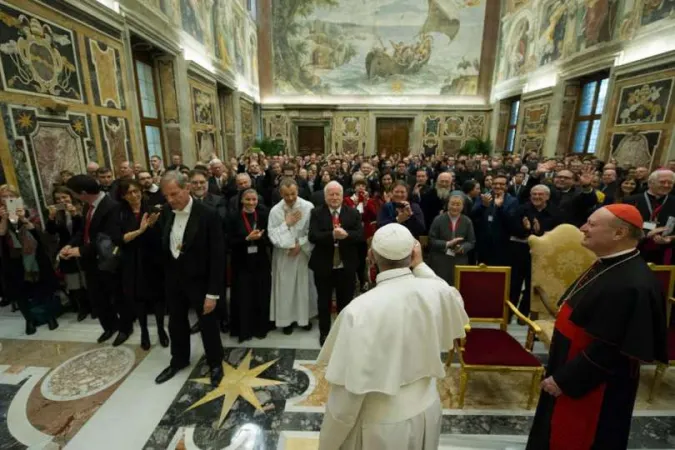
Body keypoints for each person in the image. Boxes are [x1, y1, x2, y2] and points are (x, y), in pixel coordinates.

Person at [527, 204, 667, 450]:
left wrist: (565, 380)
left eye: (591, 224)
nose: (582, 228)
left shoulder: (633, 284)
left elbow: (611, 348)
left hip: (592, 387)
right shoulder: (607, 263)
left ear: (619, 233)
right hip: (569, 365)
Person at [317, 223, 469, 449]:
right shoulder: (436, 292)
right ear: (413, 254)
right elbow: (452, 298)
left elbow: (346, 398)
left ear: (371, 256)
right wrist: (420, 266)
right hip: (428, 410)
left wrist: (329, 440)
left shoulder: (357, 311)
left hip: (382, 427)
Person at [154, 171, 225, 387]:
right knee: (176, 323)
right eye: (166, 196)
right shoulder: (166, 212)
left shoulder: (208, 215)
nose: (170, 200)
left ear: (187, 188)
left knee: (208, 324)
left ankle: (215, 363)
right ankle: (179, 360)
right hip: (174, 281)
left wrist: (213, 293)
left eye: (174, 194)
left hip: (200, 282)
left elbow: (218, 257)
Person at [64, 175, 129, 345]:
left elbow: (108, 238)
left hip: (108, 261)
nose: (73, 197)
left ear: (83, 193)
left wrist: (80, 250)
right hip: (91, 262)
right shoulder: (88, 206)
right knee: (97, 297)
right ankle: (109, 326)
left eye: (73, 193)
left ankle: (125, 328)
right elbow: (82, 231)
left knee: (117, 297)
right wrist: (69, 245)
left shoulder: (112, 207)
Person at [309, 181, 364, 345]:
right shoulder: (316, 213)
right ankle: (324, 333)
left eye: (337, 194)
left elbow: (360, 236)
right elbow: (313, 236)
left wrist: (345, 235)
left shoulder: (353, 213)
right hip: (323, 265)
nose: (334, 197)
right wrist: (332, 235)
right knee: (323, 302)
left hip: (346, 265)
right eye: (330, 194)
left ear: (342, 196)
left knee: (345, 302)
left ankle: (343, 332)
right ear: (325, 197)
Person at [117, 179, 168, 351]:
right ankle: (144, 331)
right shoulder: (120, 213)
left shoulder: (152, 208)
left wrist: (153, 227)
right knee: (138, 298)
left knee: (158, 297)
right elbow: (119, 238)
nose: (134, 195)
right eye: (129, 193)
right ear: (123, 196)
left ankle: (161, 329)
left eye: (136, 191)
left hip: (153, 259)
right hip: (132, 260)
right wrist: (141, 230)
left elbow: (163, 235)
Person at [0, 185, 59, 334]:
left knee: (43, 287)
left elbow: (39, 233)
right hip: (13, 259)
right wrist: (4, 219)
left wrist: (23, 219)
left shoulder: (30, 211)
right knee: (20, 291)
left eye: (11, 196)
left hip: (35, 257)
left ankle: (50, 316)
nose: (8, 200)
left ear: (17, 198)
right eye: (4, 197)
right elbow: (1, 235)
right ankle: (29, 320)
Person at [268, 178, 316, 334]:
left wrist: (300, 244)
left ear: (298, 192)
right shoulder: (275, 211)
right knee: (286, 288)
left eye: (293, 194)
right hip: (284, 255)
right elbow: (272, 234)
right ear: (281, 193)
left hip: (302, 253)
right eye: (286, 195)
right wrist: (286, 223)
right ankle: (286, 320)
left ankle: (304, 318)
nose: (290, 198)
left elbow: (313, 230)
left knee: (303, 287)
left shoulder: (308, 207)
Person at [227, 188, 273, 342]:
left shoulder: (263, 215)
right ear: (241, 200)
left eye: (254, 199)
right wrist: (246, 238)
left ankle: (261, 328)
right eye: (248, 200)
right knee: (244, 296)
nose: (251, 203)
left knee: (261, 294)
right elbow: (228, 241)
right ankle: (244, 330)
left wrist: (261, 237)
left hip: (260, 261)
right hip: (241, 262)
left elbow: (270, 237)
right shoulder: (233, 217)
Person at [46, 187, 88, 320]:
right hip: (65, 250)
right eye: (58, 199)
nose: (62, 200)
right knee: (73, 281)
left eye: (64, 197)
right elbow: (51, 231)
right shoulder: (58, 213)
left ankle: (93, 306)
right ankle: (82, 307)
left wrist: (75, 215)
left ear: (71, 196)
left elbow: (81, 230)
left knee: (87, 279)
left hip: (81, 248)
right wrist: (51, 218)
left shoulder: (82, 208)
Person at [428, 193, 476, 286]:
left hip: (459, 260)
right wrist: (448, 244)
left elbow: (471, 242)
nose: (455, 207)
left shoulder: (467, 221)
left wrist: (462, 248)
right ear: (447, 205)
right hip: (440, 259)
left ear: (463, 206)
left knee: (457, 287)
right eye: (452, 204)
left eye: (458, 204)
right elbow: (431, 240)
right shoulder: (438, 219)